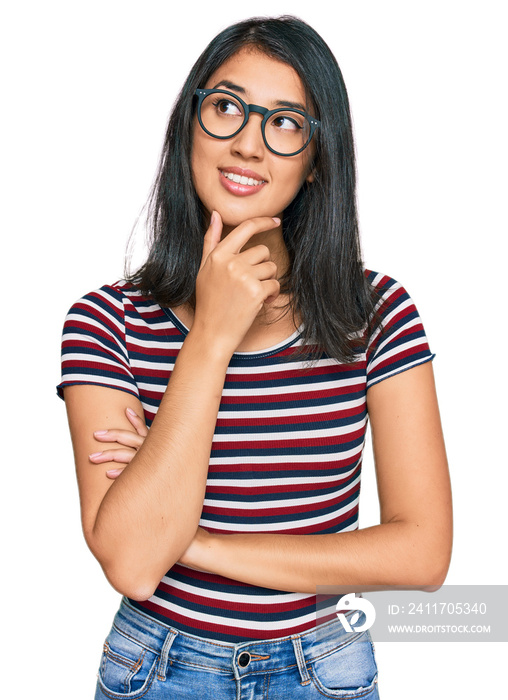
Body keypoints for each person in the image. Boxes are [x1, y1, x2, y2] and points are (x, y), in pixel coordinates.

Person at [57, 15, 452, 699]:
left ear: (317, 157)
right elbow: (131, 564)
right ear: (190, 125)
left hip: (322, 669)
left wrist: (196, 543)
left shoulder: (376, 315)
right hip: (157, 670)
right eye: (226, 108)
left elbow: (421, 553)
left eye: (285, 123)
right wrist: (212, 335)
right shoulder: (106, 322)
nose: (247, 144)